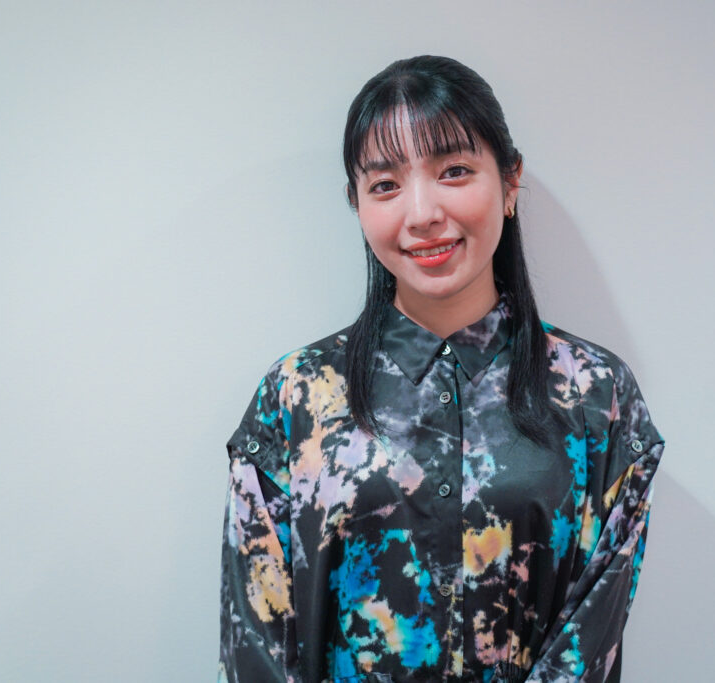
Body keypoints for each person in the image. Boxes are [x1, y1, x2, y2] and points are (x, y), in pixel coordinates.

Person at [218, 55, 665, 683]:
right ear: (356, 204)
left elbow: (588, 648)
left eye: (454, 171)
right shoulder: (296, 396)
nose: (422, 212)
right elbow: (256, 644)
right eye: (385, 185)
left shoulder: (597, 395)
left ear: (510, 181)